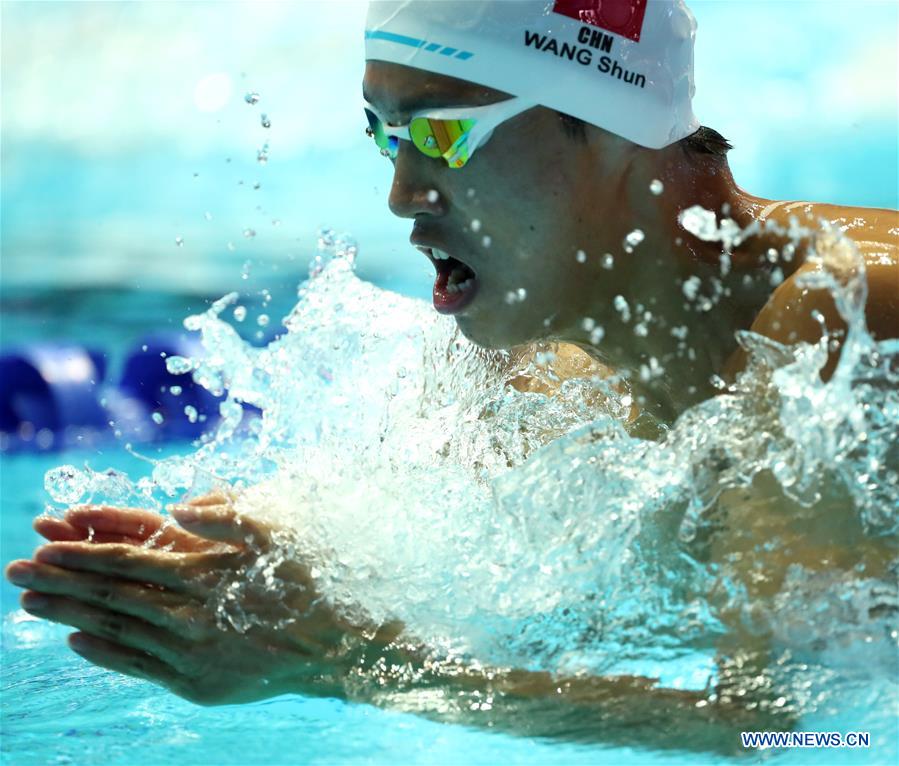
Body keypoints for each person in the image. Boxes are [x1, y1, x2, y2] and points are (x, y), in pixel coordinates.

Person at [5, 0, 897, 753]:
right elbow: (424, 546)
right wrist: (240, 575)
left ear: (616, 127)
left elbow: (818, 731)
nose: (401, 192)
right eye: (384, 134)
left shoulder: (849, 326)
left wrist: (350, 665)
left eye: (442, 134)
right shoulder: (538, 348)